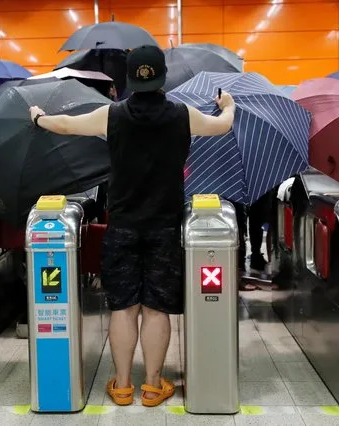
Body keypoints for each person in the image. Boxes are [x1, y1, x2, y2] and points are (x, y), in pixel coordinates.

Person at [29, 45, 235, 407]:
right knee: (156, 308)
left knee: (123, 307)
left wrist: (37, 118)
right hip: (165, 226)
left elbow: (64, 125)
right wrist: (227, 105)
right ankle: (153, 385)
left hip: (122, 225)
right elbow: (221, 126)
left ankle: (123, 385)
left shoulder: (113, 115)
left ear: (128, 79)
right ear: (162, 77)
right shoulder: (182, 114)